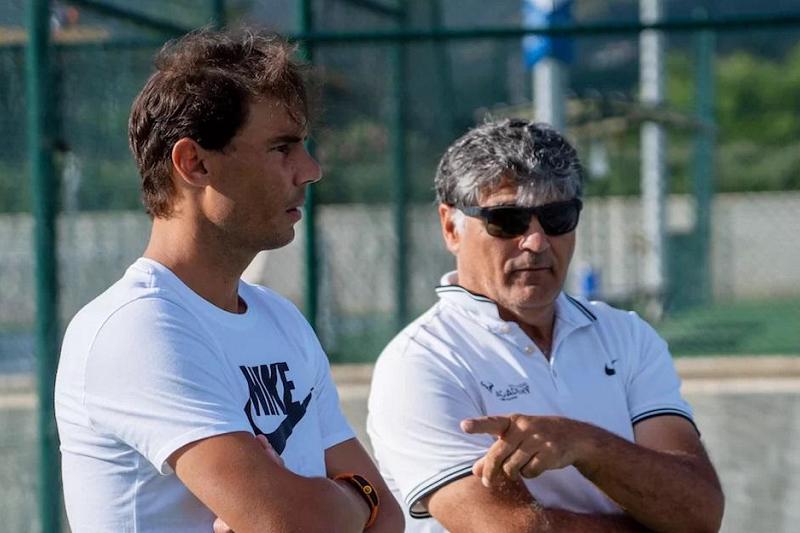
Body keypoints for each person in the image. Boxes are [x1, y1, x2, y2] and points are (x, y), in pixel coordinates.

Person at [55, 28, 403, 533]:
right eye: (282, 147)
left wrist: (350, 499)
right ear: (194, 163)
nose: (310, 170)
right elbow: (292, 522)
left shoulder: (280, 318)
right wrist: (353, 498)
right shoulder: (137, 329)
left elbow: (388, 517)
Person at [367, 119, 724, 532]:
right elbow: (513, 530)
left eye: (557, 217)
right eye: (506, 220)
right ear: (451, 227)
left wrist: (585, 444)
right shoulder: (420, 362)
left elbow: (699, 512)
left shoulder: (626, 335)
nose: (536, 242)